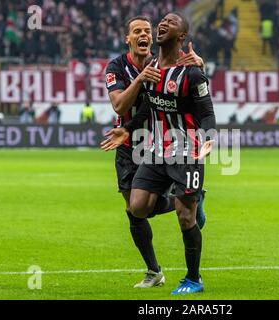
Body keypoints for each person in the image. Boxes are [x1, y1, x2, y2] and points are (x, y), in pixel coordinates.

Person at [102, 12, 216, 295]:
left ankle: (193, 278)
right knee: (137, 208)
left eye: (151, 29)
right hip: (147, 148)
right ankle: (188, 203)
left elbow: (205, 107)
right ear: (127, 38)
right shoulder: (138, 67)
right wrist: (127, 128)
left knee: (184, 215)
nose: (153, 30)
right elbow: (140, 106)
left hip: (182, 148)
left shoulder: (186, 68)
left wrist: (210, 137)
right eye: (138, 30)